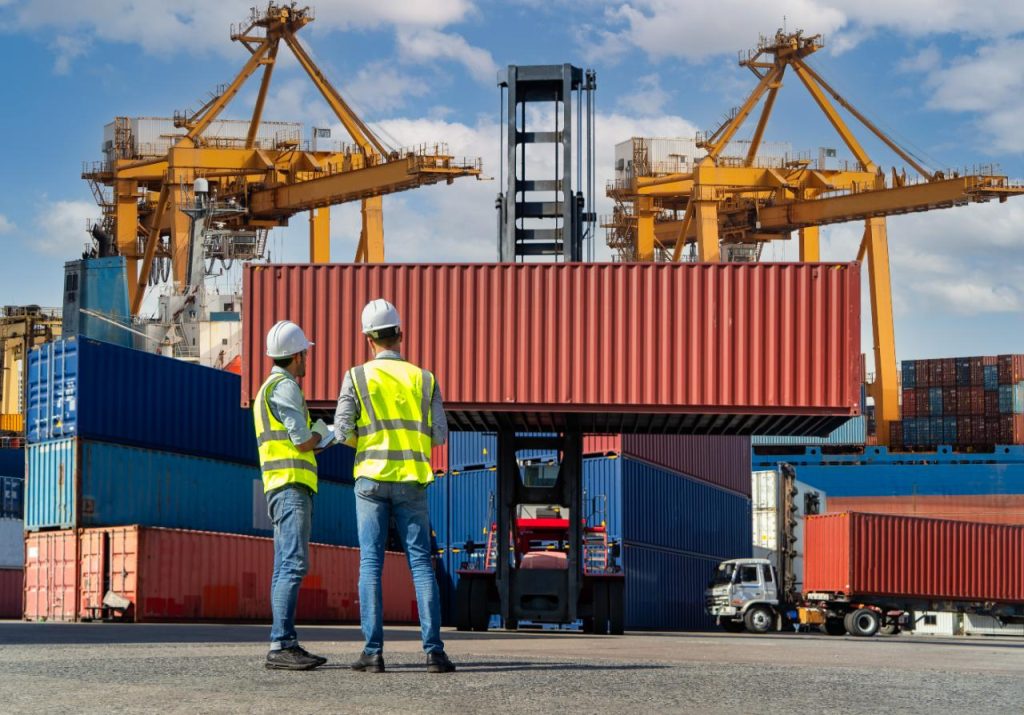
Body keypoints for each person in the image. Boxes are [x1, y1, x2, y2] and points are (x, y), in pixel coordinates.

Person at [334, 299, 455, 674]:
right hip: (411, 482)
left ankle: (373, 653)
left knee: (371, 564)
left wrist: (369, 443)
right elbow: (439, 435)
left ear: (368, 338)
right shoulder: (425, 379)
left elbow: (340, 431)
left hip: (370, 479)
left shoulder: (355, 377)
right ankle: (434, 652)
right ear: (401, 334)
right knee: (420, 563)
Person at [254, 320, 333, 671]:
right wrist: (323, 433)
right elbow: (302, 441)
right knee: (294, 563)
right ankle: (282, 644)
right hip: (289, 487)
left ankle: (282, 640)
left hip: (278, 485)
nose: (307, 359)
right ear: (297, 355)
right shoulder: (285, 388)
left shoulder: (266, 388)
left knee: (283, 565)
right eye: (305, 353)